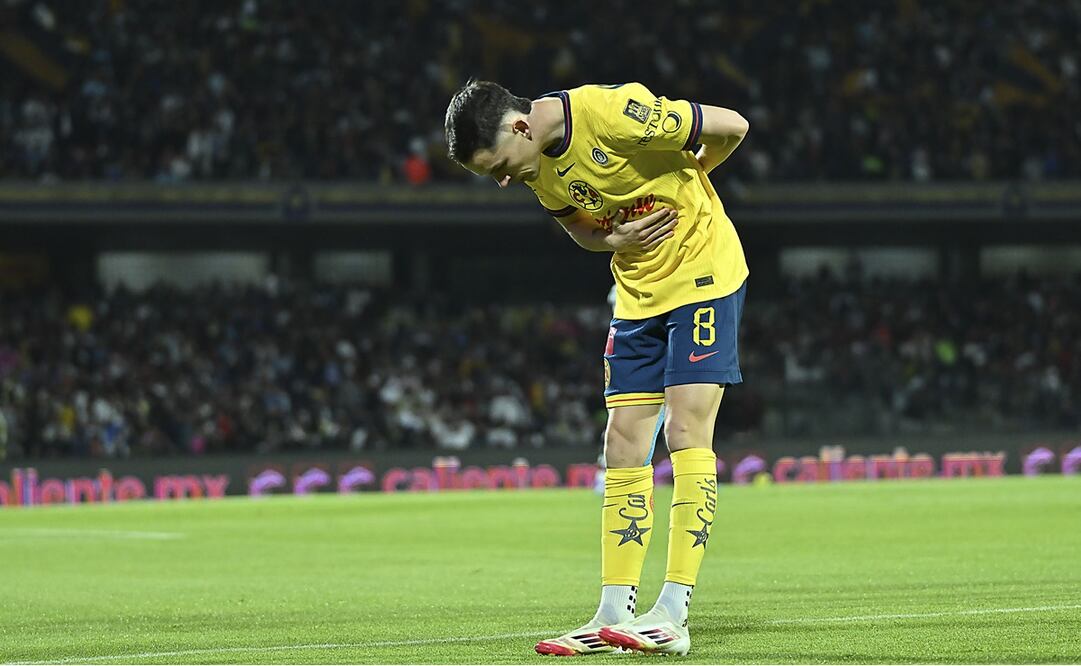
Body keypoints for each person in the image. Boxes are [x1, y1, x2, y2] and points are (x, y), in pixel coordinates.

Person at [444, 80, 749, 656]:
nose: (504, 180)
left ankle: (674, 610)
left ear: (519, 128)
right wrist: (615, 236)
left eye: (499, 167)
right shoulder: (538, 169)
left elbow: (734, 125)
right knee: (623, 441)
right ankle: (614, 609)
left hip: (704, 273)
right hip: (638, 293)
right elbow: (581, 231)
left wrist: (697, 177)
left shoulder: (614, 114)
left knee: (686, 430)